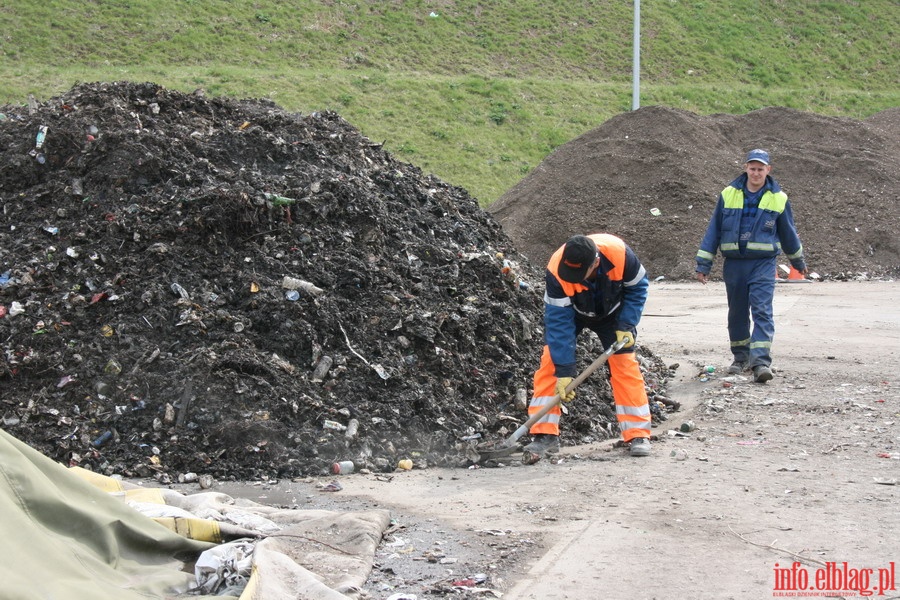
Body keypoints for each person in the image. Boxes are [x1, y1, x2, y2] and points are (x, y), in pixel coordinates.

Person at [523, 233, 652, 457]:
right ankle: (544, 434)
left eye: (578, 274)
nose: (572, 277)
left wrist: (627, 323)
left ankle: (637, 433)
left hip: (614, 314)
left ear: (595, 263)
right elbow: (558, 322)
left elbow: (637, 288)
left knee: (624, 365)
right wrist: (565, 370)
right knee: (550, 362)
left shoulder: (620, 255)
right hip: (573, 312)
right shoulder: (556, 270)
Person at [695, 149, 808, 383]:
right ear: (746, 168)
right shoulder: (728, 194)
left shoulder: (779, 198)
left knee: (762, 311)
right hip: (734, 264)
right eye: (752, 168)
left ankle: (761, 362)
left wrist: (797, 261)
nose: (756, 173)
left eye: (760, 169)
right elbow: (713, 230)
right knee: (737, 313)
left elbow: (788, 233)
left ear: (768, 170)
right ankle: (740, 358)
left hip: (763, 264)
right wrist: (703, 264)